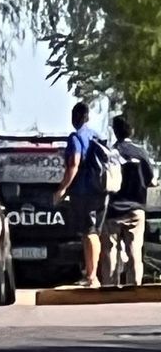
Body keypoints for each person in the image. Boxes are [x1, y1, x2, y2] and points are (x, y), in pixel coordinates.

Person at [54, 102, 107, 287]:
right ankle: (91, 273)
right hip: (101, 191)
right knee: (92, 232)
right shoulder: (97, 136)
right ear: (88, 117)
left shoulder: (76, 137)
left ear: (75, 117)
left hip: (84, 192)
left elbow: (74, 164)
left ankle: (92, 277)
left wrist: (62, 188)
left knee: (89, 232)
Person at [99, 115, 154, 286]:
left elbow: (103, 181)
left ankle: (109, 288)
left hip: (113, 211)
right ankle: (135, 288)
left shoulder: (111, 153)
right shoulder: (141, 152)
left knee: (110, 252)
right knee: (135, 251)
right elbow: (150, 179)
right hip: (136, 210)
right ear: (132, 130)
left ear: (114, 131)